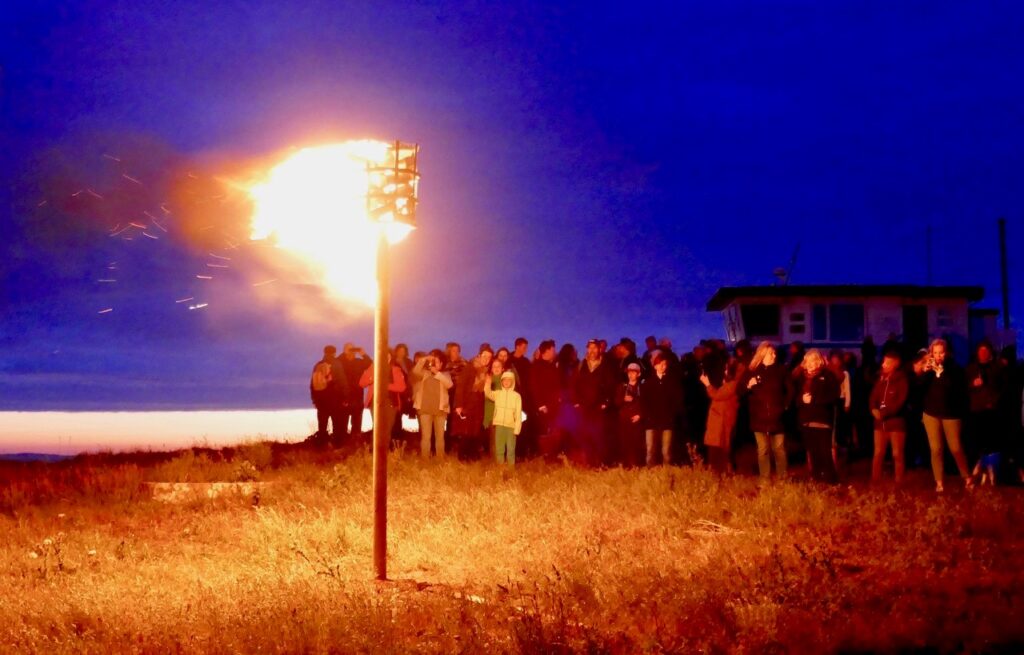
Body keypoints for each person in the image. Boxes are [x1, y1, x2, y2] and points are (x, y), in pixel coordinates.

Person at [919, 338, 971, 492]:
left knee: (955, 448)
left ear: (946, 353)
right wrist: (925, 372)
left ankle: (967, 476)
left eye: (941, 352)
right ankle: (939, 482)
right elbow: (919, 387)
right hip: (931, 413)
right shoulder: (929, 369)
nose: (938, 356)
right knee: (936, 449)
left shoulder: (955, 369)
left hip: (951, 414)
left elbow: (956, 390)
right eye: (935, 353)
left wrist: (941, 373)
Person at [741, 342, 792, 480]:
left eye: (774, 353)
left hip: (777, 417)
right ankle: (765, 478)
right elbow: (739, 392)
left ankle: (783, 478)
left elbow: (790, 390)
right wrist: (748, 386)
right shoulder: (752, 371)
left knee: (779, 449)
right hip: (759, 417)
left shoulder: (781, 370)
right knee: (763, 449)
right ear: (762, 355)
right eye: (771, 353)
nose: (774, 355)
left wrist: (785, 406)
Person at [797, 349, 840, 484]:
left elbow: (834, 395)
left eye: (813, 361)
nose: (810, 364)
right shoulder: (802, 377)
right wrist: (801, 399)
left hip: (822, 419)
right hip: (807, 419)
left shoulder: (827, 376)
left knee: (824, 452)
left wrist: (814, 400)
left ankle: (831, 480)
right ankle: (816, 479)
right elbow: (796, 395)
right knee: (813, 452)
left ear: (819, 361)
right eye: (808, 361)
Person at [965, 340, 1007, 475]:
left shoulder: (996, 368)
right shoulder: (971, 368)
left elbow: (1002, 389)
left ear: (990, 353)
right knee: (977, 441)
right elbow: (963, 388)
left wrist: (993, 401)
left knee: (991, 443)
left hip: (991, 410)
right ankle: (978, 467)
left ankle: (992, 470)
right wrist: (972, 384)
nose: (983, 354)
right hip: (976, 410)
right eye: (980, 351)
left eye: (985, 351)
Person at [869, 350, 910, 483]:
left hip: (896, 423)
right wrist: (873, 409)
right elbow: (873, 397)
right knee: (878, 452)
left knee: (897, 453)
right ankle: (875, 480)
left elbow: (900, 402)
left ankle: (899, 481)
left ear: (895, 364)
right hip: (879, 424)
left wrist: (884, 413)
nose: (883, 364)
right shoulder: (880, 379)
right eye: (883, 361)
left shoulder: (902, 380)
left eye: (887, 362)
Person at [575, 339, 615, 466]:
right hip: (584, 407)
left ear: (599, 349)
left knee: (599, 436)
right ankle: (588, 463)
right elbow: (575, 385)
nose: (592, 351)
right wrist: (576, 401)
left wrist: (606, 402)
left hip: (599, 408)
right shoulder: (582, 365)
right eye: (590, 348)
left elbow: (611, 386)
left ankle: (600, 464)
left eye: (594, 348)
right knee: (585, 435)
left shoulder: (606, 365)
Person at [410, 350, 453, 458]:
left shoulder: (445, 374)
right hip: (425, 409)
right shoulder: (424, 373)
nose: (434, 364)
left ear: (442, 364)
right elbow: (415, 371)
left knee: (440, 437)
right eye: (433, 362)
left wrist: (437, 373)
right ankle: (425, 459)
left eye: (437, 362)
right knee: (426, 437)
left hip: (440, 410)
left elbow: (449, 384)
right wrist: (424, 359)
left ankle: (440, 459)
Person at [358, 353, 408, 445]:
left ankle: (383, 453)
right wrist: (372, 375)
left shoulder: (395, 370)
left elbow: (402, 387)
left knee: (387, 429)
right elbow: (362, 383)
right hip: (375, 402)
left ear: (390, 359)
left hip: (391, 403)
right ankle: (374, 453)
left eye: (387, 357)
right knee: (377, 429)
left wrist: (385, 386)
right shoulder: (372, 368)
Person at [452, 347, 493, 459]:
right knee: (466, 430)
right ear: (479, 356)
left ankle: (472, 455)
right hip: (468, 402)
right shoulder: (470, 367)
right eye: (484, 356)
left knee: (475, 430)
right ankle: (463, 456)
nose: (486, 359)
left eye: (489, 357)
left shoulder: (487, 371)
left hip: (479, 404)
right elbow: (461, 386)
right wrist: (459, 405)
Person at [642, 350, 681, 466]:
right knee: (650, 450)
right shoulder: (648, 383)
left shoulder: (672, 382)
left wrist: (671, 416)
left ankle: (666, 473)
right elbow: (644, 402)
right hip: (651, 422)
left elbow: (676, 401)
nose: (662, 367)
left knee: (666, 451)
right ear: (655, 366)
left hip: (667, 421)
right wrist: (648, 416)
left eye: (664, 365)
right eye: (659, 364)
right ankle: (651, 473)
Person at [701, 359, 740, 474]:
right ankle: (720, 470)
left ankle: (722, 471)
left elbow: (717, 395)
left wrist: (707, 384)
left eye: (726, 369)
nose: (724, 371)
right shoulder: (729, 384)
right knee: (718, 447)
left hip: (722, 421)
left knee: (721, 447)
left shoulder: (732, 385)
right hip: (719, 420)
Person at [483, 371, 523, 468]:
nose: (506, 382)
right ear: (502, 381)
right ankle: (500, 466)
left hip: (511, 426)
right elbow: (488, 393)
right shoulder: (498, 393)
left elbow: (518, 413)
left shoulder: (516, 396)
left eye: (509, 380)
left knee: (510, 448)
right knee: (499, 447)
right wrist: (488, 383)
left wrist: (517, 428)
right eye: (504, 380)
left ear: (512, 382)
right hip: (499, 425)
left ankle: (510, 467)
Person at [532, 340, 561, 458]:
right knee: (544, 431)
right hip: (544, 406)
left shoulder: (552, 366)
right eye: (553, 349)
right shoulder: (537, 367)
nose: (555, 352)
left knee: (553, 430)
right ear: (547, 350)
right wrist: (541, 404)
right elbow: (534, 387)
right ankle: (544, 454)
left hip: (554, 404)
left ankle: (552, 454)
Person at [613, 362, 645, 468]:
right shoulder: (622, 386)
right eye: (629, 372)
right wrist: (623, 399)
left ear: (639, 374)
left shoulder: (642, 387)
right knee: (624, 442)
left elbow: (646, 403)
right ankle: (625, 465)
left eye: (633, 372)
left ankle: (636, 465)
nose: (631, 375)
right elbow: (616, 402)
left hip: (637, 420)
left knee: (636, 443)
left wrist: (640, 415)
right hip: (624, 419)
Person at [339, 343, 372, 439]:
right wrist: (344, 353)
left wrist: (363, 353)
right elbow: (335, 362)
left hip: (357, 395)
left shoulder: (359, 362)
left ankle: (356, 441)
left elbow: (369, 363)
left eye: (352, 349)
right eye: (348, 349)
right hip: (344, 396)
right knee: (343, 421)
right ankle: (343, 441)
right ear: (344, 350)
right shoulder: (341, 361)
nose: (350, 351)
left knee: (357, 421)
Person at [310, 345, 339, 445]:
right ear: (334, 353)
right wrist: (345, 396)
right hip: (333, 399)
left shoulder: (317, 365)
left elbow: (312, 384)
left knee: (322, 424)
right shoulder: (336, 364)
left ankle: (321, 445)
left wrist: (314, 399)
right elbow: (342, 381)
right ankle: (336, 445)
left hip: (320, 399)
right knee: (336, 424)